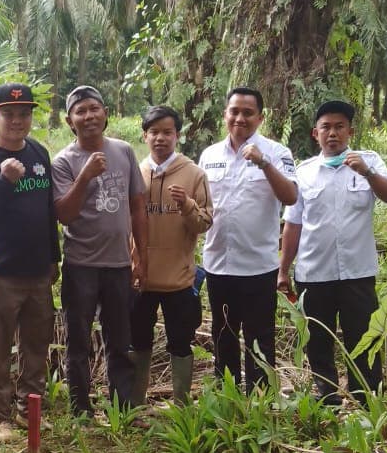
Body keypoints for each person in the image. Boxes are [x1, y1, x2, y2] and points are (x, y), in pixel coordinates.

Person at [278, 99, 387, 405]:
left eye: (339, 127)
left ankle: (366, 397)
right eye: (326, 127)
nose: (333, 133)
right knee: (319, 339)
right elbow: (293, 224)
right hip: (314, 272)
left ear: (351, 131)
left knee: (363, 336)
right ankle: (326, 396)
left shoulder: (368, 161)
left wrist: (368, 172)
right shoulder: (304, 172)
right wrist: (283, 270)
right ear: (314, 134)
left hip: (358, 272)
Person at [52, 86, 147, 416]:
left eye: (94, 108)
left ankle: (122, 408)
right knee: (78, 340)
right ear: (70, 120)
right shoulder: (64, 161)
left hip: (119, 264)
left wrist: (140, 255)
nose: (89, 116)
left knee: (120, 339)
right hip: (80, 265)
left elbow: (137, 206)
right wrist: (86, 176)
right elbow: (64, 214)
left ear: (105, 114)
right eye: (81, 111)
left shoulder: (123, 151)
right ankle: (80, 408)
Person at [199, 87, 298, 390]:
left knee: (260, 339)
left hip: (258, 267)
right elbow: (202, 206)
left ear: (260, 117)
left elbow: (291, 196)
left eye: (247, 113)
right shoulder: (209, 155)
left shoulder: (278, 152)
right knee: (223, 334)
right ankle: (227, 396)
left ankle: (261, 399)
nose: (240, 118)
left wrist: (264, 163)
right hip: (219, 265)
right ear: (225, 114)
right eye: (234, 111)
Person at [0, 83, 59, 435]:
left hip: (39, 271)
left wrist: (55, 258)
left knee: (36, 344)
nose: (17, 120)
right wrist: (6, 182)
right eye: (8, 113)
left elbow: (48, 211)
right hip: (2, 272)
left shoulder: (39, 153)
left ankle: (30, 407)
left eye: (24, 113)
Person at [130, 105, 212, 404]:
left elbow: (204, 223)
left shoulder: (194, 174)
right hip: (140, 276)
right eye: (154, 132)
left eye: (167, 132)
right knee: (138, 340)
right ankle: (136, 403)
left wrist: (187, 205)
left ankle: (181, 404)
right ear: (145, 136)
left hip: (179, 279)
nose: (160, 138)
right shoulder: (135, 171)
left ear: (178, 135)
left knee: (181, 342)